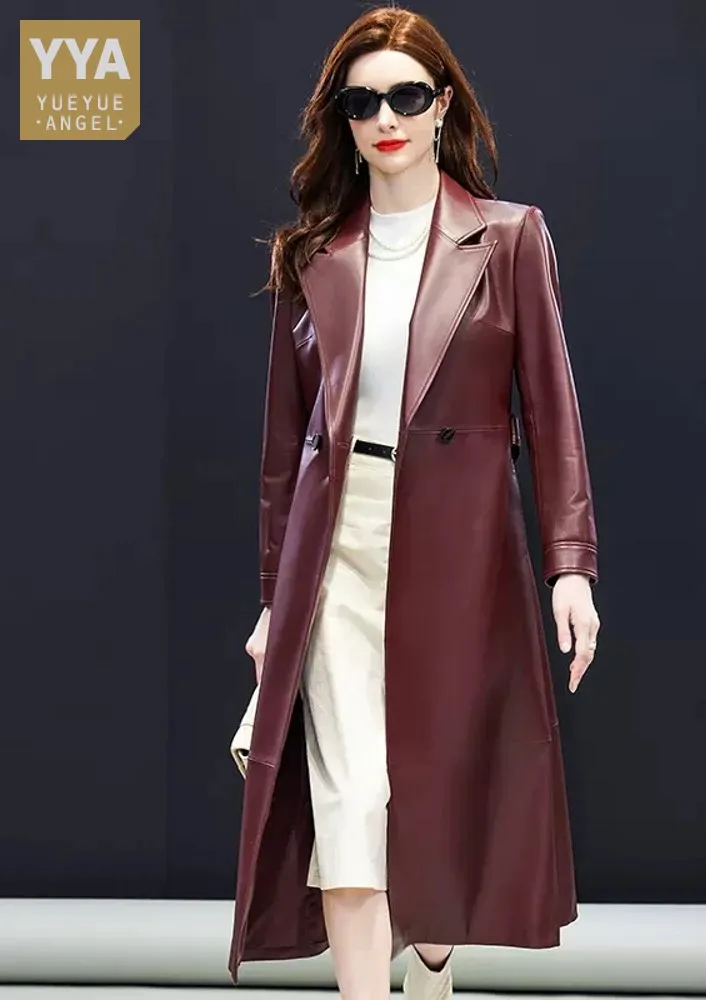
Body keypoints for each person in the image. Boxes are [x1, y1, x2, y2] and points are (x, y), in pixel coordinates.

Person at [229, 5, 601, 998]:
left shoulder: (510, 238)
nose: (384, 117)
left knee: (435, 795)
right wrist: (273, 602)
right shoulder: (312, 255)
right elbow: (283, 456)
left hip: (459, 544)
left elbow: (552, 411)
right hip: (335, 548)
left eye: (404, 95)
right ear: (342, 122)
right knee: (350, 801)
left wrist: (570, 567)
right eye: (362, 102)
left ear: (442, 106)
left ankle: (432, 955)